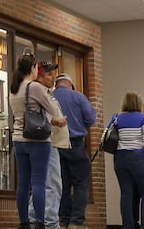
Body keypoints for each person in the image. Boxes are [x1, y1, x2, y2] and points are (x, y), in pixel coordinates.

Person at [9, 54, 67, 229]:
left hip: (19, 139)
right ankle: (40, 223)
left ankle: (24, 223)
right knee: (39, 182)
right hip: (38, 141)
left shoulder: (14, 88)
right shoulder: (35, 87)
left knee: (23, 183)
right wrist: (60, 120)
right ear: (33, 68)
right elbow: (53, 110)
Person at [29, 62, 70, 229]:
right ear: (39, 76)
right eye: (48, 74)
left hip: (48, 143)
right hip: (47, 143)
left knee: (41, 183)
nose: (52, 77)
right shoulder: (39, 93)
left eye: (53, 73)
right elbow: (41, 117)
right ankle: (51, 222)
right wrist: (57, 121)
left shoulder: (45, 92)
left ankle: (34, 219)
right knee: (52, 184)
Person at [53, 73, 97, 229]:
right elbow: (91, 118)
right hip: (76, 144)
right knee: (80, 184)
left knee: (61, 185)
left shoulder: (49, 96)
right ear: (70, 84)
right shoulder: (78, 97)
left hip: (55, 145)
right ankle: (76, 221)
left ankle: (63, 220)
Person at [108, 91, 144, 229]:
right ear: (138, 103)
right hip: (138, 157)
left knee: (126, 193)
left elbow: (106, 135)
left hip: (120, 159)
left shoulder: (116, 117)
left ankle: (127, 226)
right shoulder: (143, 118)